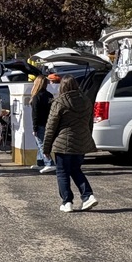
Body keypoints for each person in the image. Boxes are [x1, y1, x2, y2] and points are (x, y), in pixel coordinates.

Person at [43, 74, 98, 212]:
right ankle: (88, 195)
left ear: (62, 86)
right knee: (75, 169)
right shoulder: (86, 101)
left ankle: (67, 202)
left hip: (62, 143)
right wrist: (86, 138)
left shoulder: (59, 102)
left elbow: (51, 127)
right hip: (81, 141)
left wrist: (46, 147)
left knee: (62, 172)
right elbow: (89, 123)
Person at [29, 75, 55, 172]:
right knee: (40, 143)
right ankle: (40, 162)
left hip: (40, 123)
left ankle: (49, 162)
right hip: (48, 122)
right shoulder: (49, 95)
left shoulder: (36, 97)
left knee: (41, 144)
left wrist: (34, 128)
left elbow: (35, 113)